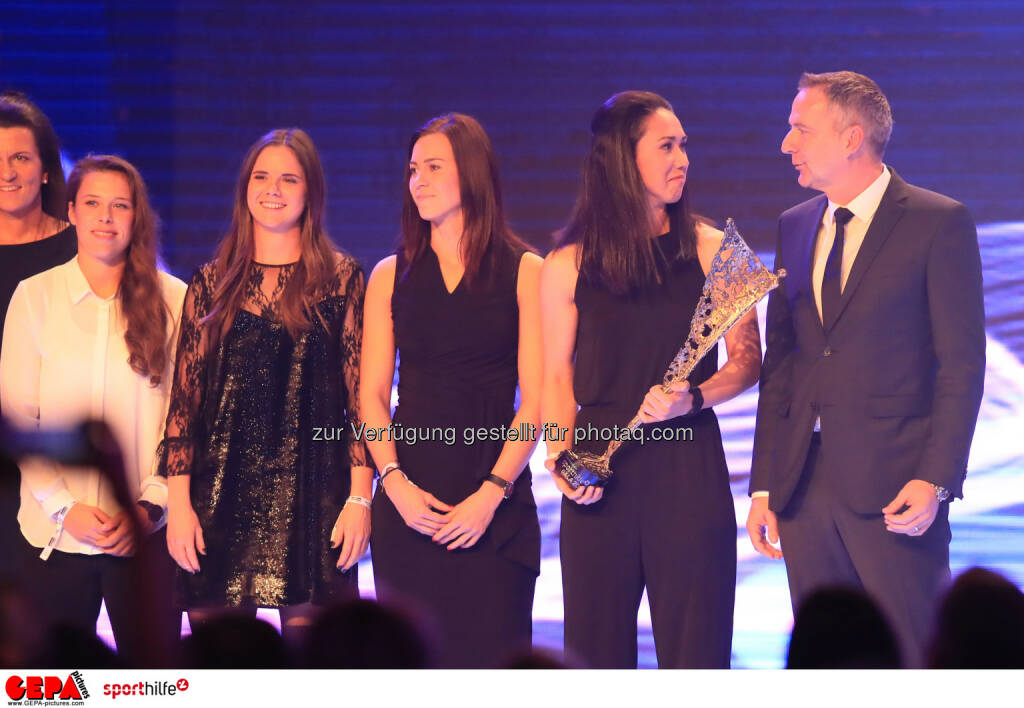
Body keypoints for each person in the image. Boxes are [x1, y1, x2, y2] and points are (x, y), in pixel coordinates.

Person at [747, 71, 985, 667]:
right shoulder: (796, 224)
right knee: (827, 661)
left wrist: (935, 479)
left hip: (896, 487)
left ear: (852, 137)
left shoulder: (938, 221)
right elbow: (783, 366)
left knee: (913, 654)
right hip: (803, 489)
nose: (786, 144)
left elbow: (961, 366)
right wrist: (765, 483)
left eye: (800, 129)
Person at [540, 91, 761, 669]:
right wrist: (561, 456)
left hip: (687, 468)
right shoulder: (566, 263)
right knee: (594, 655)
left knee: (696, 652)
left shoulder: (719, 250)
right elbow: (556, 374)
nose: (683, 158)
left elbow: (748, 360)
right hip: (597, 472)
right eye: (667, 145)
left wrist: (694, 398)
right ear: (620, 158)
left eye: (684, 145)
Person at [159, 129, 370, 645]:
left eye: (288, 178)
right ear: (244, 188)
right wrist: (178, 503)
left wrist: (360, 498)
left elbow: (362, 401)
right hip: (218, 497)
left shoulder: (343, 279)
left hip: (314, 497)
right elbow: (184, 404)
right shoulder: (210, 282)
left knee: (314, 672)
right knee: (227, 672)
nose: (273, 188)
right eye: (262, 176)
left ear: (311, 191)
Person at [361, 113, 542, 668]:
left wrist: (491, 494)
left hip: (493, 506)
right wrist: (394, 485)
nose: (418, 180)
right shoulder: (390, 275)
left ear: (472, 173)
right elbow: (370, 398)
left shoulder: (526, 270)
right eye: (413, 169)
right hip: (408, 505)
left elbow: (537, 403)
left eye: (433, 167)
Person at [0, 155, 186, 664]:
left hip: (147, 537)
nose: (106, 217)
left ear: (137, 216)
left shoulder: (175, 300)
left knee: (153, 683)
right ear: (72, 212)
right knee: (52, 688)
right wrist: (66, 509)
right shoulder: (35, 297)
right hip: (54, 538)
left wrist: (149, 506)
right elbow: (20, 421)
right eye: (94, 204)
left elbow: (185, 420)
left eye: (120, 206)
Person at [0, 91, 77, 580]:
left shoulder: (80, 245)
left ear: (46, 168)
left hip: (53, 461)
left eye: (20, 158)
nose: (7, 172)